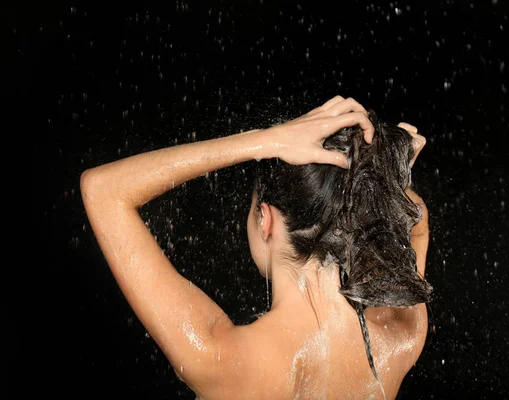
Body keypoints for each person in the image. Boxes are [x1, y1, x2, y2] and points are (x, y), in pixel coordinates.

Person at [81, 95, 433, 399]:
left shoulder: (222, 361)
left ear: (265, 219)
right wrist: (382, 174)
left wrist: (264, 141)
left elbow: (102, 189)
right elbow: (417, 224)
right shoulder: (399, 340)